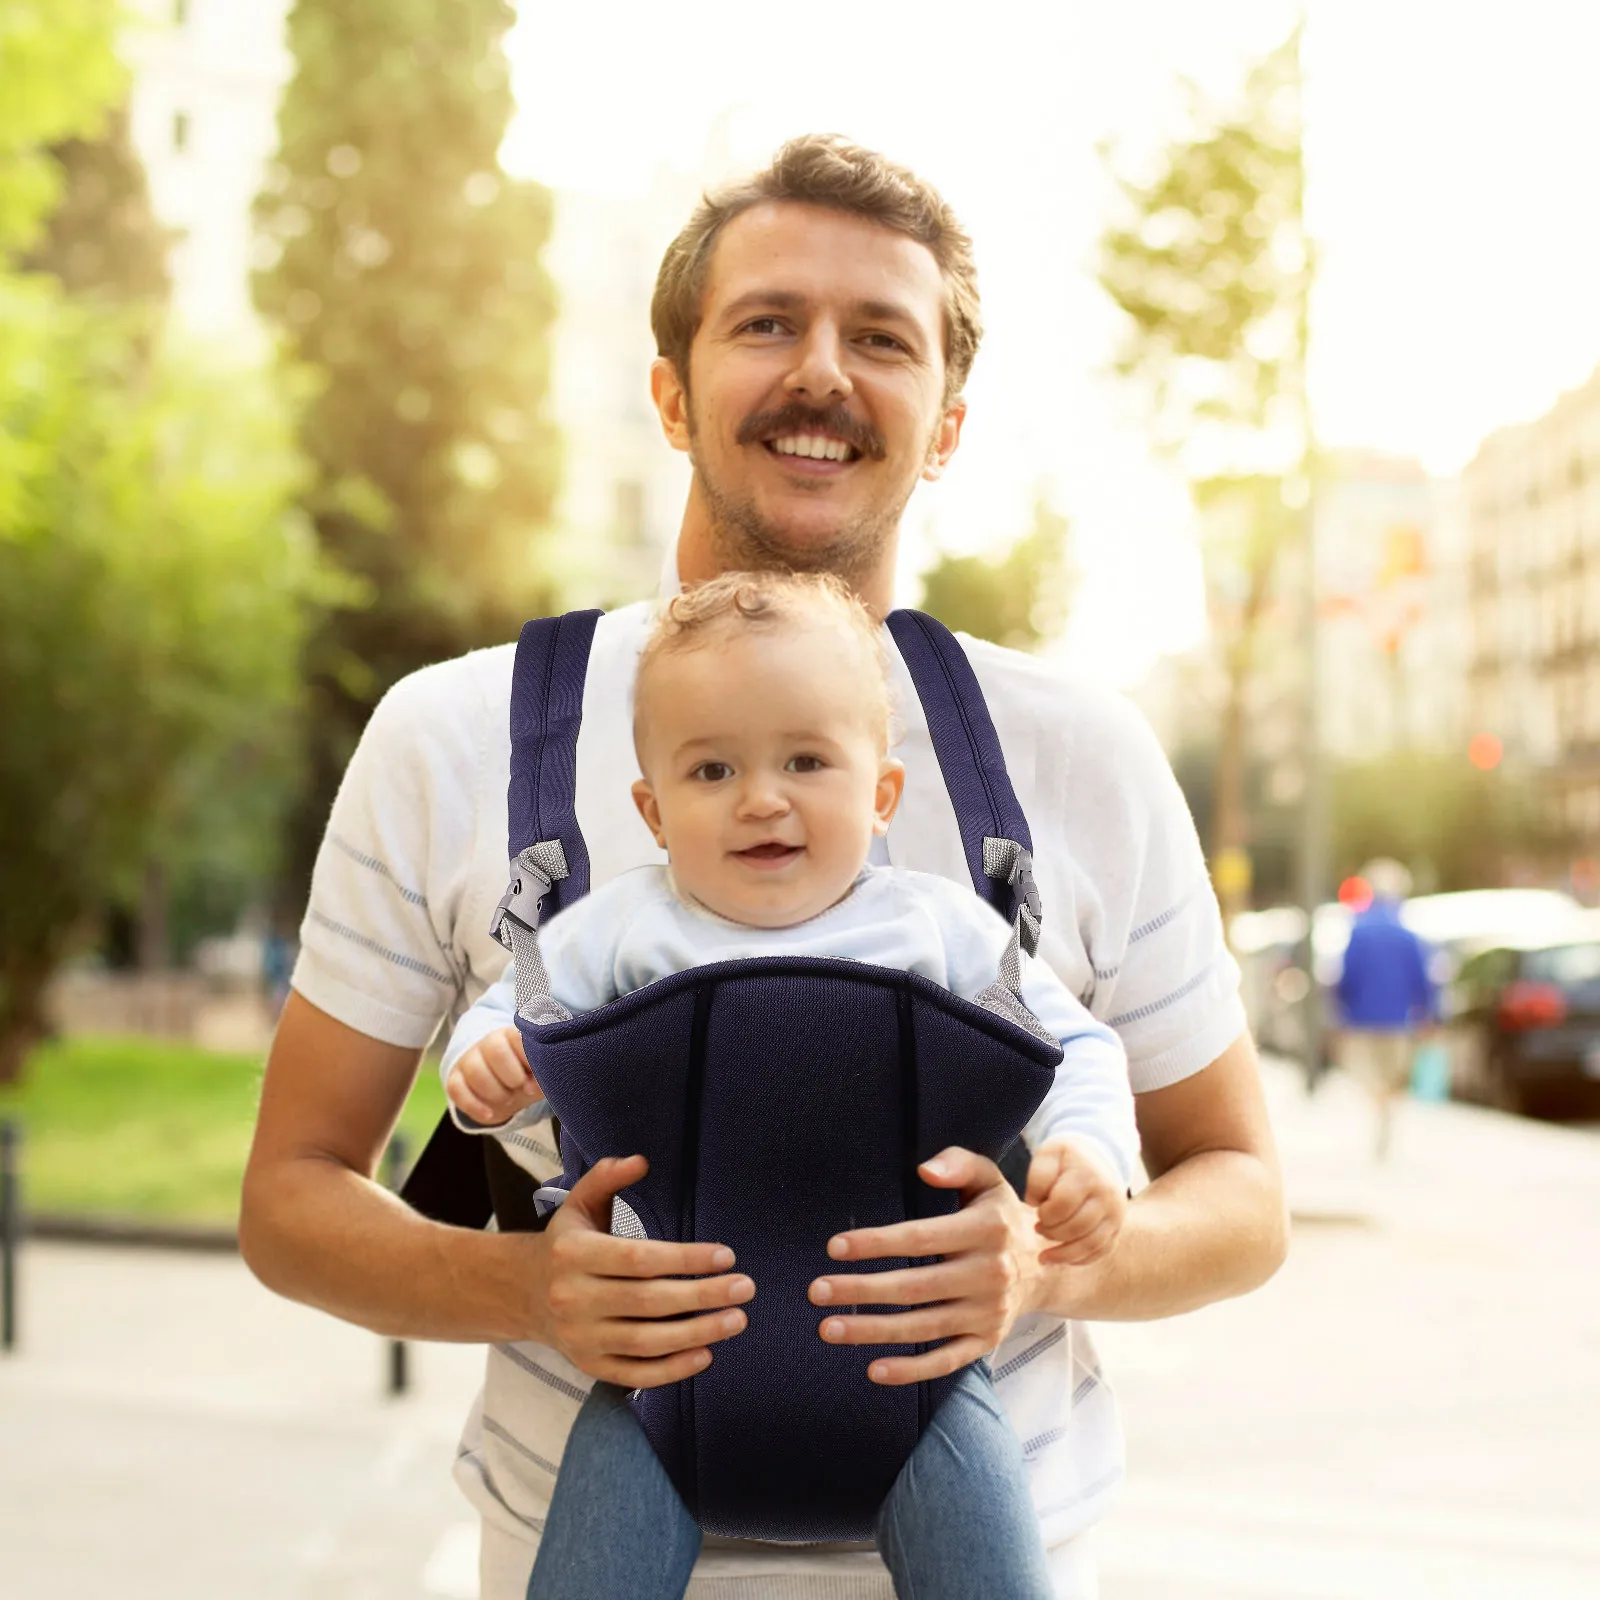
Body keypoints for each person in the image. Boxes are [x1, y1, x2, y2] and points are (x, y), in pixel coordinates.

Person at [240, 135, 1288, 1599]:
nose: (823, 374)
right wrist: (530, 1288)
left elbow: (1241, 1193)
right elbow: (290, 1199)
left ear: (948, 424)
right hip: (584, 1527)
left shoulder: (1080, 754)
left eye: (882, 339)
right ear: (668, 392)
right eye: (766, 323)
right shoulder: (454, 735)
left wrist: (1049, 1263)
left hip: (995, 1531)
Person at [442, 570, 1139, 1598]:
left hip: (923, 1380)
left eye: (806, 760)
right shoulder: (614, 928)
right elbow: (510, 1014)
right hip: (655, 1382)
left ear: (881, 792)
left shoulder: (938, 927)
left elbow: (1076, 1047)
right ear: (653, 809)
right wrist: (483, 1070)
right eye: (713, 768)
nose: (762, 797)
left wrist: (1088, 1155)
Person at [1334, 858, 1437, 1160]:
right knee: (1393, 1076)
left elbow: (1347, 975)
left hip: (1361, 1018)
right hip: (1398, 1019)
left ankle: (1379, 1110)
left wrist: (1342, 1008)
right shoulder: (1407, 934)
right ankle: (1385, 1113)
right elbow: (1422, 979)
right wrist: (1429, 1014)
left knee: (1368, 1076)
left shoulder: (1359, 930)